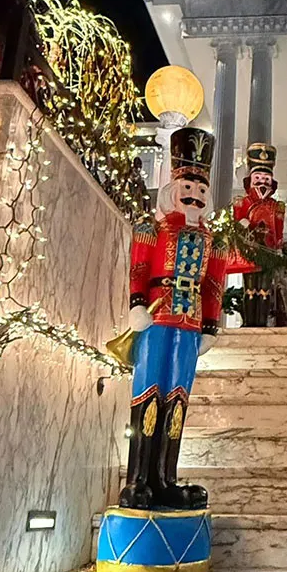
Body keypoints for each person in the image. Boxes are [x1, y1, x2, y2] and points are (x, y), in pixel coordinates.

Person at [120, 127, 228, 510]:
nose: (194, 194)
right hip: (156, 318)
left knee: (178, 396)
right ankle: (138, 479)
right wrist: (137, 302)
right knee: (148, 390)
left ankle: (165, 479)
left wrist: (211, 325)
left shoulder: (214, 241)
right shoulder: (152, 229)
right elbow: (139, 268)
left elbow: (214, 283)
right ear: (173, 186)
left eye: (201, 188)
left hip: (191, 323)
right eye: (188, 186)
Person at [230, 143, 285, 327]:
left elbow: (278, 230)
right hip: (250, 250)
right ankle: (249, 321)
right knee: (250, 287)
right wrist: (242, 225)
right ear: (250, 179)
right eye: (258, 177)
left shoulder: (276, 206)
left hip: (268, 251)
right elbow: (236, 226)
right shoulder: (242, 202)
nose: (262, 182)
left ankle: (261, 322)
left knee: (265, 288)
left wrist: (278, 247)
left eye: (266, 178)